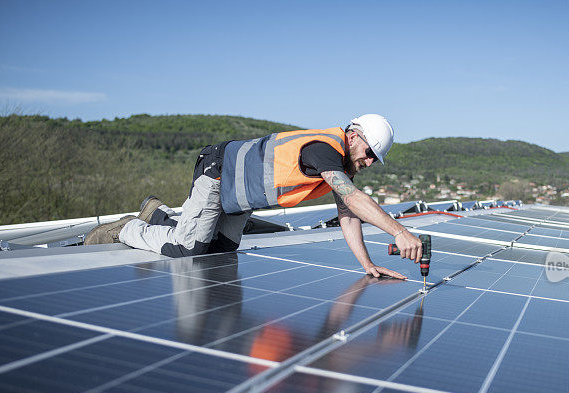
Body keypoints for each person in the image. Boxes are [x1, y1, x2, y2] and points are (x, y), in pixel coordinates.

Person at [85, 114, 422, 279]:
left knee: (219, 251)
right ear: (352, 136)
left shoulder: (340, 167)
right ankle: (127, 228)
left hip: (239, 196)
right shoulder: (324, 149)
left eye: (374, 160)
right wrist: (400, 232)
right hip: (217, 174)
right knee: (187, 248)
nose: (368, 162)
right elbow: (353, 200)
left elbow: (349, 216)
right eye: (368, 153)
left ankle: (158, 214)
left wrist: (367, 265)